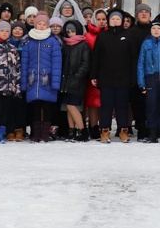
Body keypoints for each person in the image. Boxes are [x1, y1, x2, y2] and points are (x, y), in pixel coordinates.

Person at [90, 9, 139, 142]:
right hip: (105, 78)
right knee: (106, 105)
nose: (115, 21)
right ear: (108, 21)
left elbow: (134, 58)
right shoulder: (103, 36)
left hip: (124, 78)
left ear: (122, 21)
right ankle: (105, 130)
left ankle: (123, 131)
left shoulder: (129, 36)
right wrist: (94, 75)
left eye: (117, 19)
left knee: (122, 105)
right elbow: (96, 57)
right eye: (112, 19)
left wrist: (134, 77)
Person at [21, 11, 63, 142]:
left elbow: (57, 63)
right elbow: (24, 63)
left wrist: (56, 83)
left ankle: (45, 133)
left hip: (47, 80)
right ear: (35, 25)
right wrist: (23, 83)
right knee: (35, 107)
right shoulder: (29, 41)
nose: (41, 26)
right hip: (33, 80)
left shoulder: (53, 41)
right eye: (39, 23)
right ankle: (35, 133)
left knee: (47, 107)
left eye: (44, 24)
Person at [60, 20, 91, 141]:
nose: (70, 33)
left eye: (73, 31)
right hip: (66, 79)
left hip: (77, 80)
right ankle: (71, 130)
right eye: (68, 31)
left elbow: (85, 63)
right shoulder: (65, 44)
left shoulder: (83, 45)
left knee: (72, 105)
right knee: (68, 106)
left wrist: (78, 76)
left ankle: (83, 130)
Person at [83, 9, 107, 138]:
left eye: (103, 19)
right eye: (99, 19)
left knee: (104, 101)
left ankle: (103, 126)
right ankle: (92, 126)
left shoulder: (109, 33)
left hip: (106, 71)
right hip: (92, 71)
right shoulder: (88, 36)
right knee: (92, 101)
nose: (101, 22)